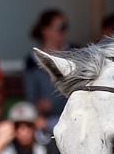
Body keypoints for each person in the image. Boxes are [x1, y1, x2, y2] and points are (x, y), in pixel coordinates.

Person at [23, 8, 75, 138]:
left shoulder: (76, 53)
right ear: (44, 30)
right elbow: (31, 97)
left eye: (65, 27)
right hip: (45, 124)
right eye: (60, 27)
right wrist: (37, 109)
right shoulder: (32, 60)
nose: (64, 31)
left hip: (74, 118)